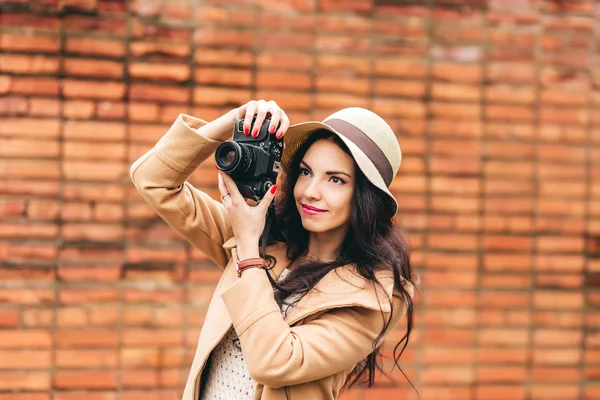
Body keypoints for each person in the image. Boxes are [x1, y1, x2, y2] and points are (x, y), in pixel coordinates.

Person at [130, 99, 418, 400]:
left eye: (335, 179)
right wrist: (233, 122)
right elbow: (153, 180)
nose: (310, 192)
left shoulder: (372, 296)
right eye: (306, 172)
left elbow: (274, 362)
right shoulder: (265, 239)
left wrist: (249, 254)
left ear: (364, 197)